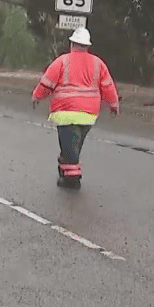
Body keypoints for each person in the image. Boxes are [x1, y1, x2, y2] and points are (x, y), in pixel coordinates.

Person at [31, 27, 120, 189]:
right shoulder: (97, 63)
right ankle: (67, 170)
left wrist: (37, 96)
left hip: (66, 112)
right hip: (88, 115)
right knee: (73, 146)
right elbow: (107, 86)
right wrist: (113, 104)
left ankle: (72, 177)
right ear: (87, 46)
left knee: (70, 148)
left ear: (72, 44)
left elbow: (47, 82)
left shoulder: (62, 61)